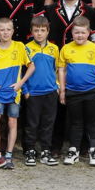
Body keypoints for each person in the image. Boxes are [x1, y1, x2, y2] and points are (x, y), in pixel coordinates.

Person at [0, 18, 35, 170]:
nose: (5, 32)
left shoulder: (19, 47)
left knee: (12, 124)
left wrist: (20, 84)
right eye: (2, 30)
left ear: (12, 31)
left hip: (13, 93)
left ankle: (9, 157)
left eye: (8, 29)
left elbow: (31, 67)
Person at [58, 16, 95, 166]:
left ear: (89, 33)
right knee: (75, 122)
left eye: (83, 33)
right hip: (73, 92)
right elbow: (61, 70)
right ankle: (73, 150)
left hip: (92, 91)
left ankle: (94, 151)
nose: (79, 35)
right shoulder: (66, 48)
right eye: (76, 32)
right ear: (72, 32)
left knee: (93, 122)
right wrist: (63, 90)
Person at [22, 17, 61, 166]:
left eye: (42, 30)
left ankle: (46, 151)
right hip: (33, 93)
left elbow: (57, 69)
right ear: (31, 31)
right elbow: (22, 71)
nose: (39, 34)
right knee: (32, 124)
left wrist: (57, 86)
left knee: (48, 123)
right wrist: (25, 90)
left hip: (50, 92)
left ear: (48, 31)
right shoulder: (26, 48)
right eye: (36, 30)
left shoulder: (54, 48)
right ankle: (30, 151)